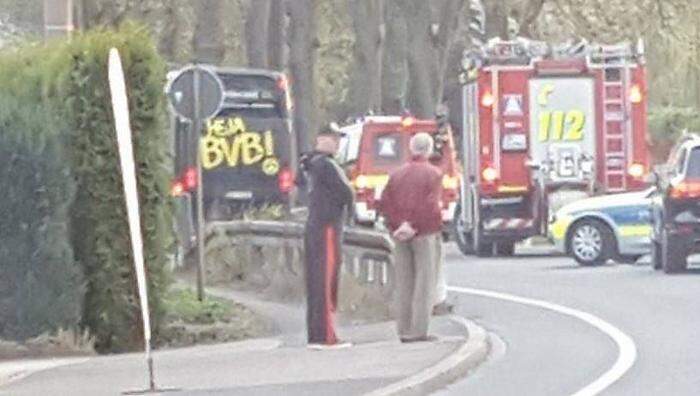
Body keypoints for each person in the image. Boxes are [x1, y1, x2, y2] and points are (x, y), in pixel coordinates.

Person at [379, 133, 443, 342]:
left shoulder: (396, 174)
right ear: (429, 149)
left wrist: (398, 225)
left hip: (400, 234)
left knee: (404, 281)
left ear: (411, 148)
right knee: (424, 282)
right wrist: (413, 225)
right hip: (424, 233)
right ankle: (418, 330)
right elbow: (430, 205)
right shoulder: (433, 174)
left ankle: (403, 329)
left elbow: (385, 202)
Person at [298, 125, 354, 349]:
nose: (337, 143)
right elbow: (346, 192)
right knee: (325, 281)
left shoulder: (308, 164)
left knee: (316, 281)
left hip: (315, 225)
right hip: (328, 226)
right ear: (322, 139)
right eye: (334, 138)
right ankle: (326, 335)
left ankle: (316, 332)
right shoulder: (327, 166)